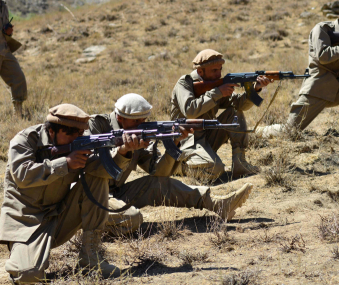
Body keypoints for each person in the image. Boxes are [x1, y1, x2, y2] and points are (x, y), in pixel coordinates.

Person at [0, 104, 132, 282]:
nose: (76, 140)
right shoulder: (25, 141)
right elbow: (22, 175)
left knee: (96, 176)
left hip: (59, 216)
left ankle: (90, 257)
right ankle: (24, 257)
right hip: (26, 224)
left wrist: (124, 150)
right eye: (70, 134)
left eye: (79, 134)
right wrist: (65, 164)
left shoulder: (78, 144)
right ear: (52, 131)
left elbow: (102, 170)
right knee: (28, 276)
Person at [89, 93, 253, 236]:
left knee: (156, 185)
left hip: (116, 193)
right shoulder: (96, 126)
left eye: (144, 120)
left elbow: (160, 174)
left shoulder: (139, 133)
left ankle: (217, 204)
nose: (142, 125)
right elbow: (91, 167)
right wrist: (123, 150)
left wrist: (174, 142)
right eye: (136, 121)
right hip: (90, 196)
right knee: (132, 218)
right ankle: (91, 228)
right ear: (120, 118)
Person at [170, 49, 271, 181]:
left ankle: (240, 164)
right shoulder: (185, 83)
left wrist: (255, 89)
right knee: (216, 170)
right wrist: (217, 92)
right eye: (214, 71)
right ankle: (178, 167)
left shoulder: (215, 86)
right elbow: (190, 111)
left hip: (207, 136)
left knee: (234, 112)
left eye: (220, 69)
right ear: (200, 71)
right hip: (186, 141)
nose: (219, 75)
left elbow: (239, 105)